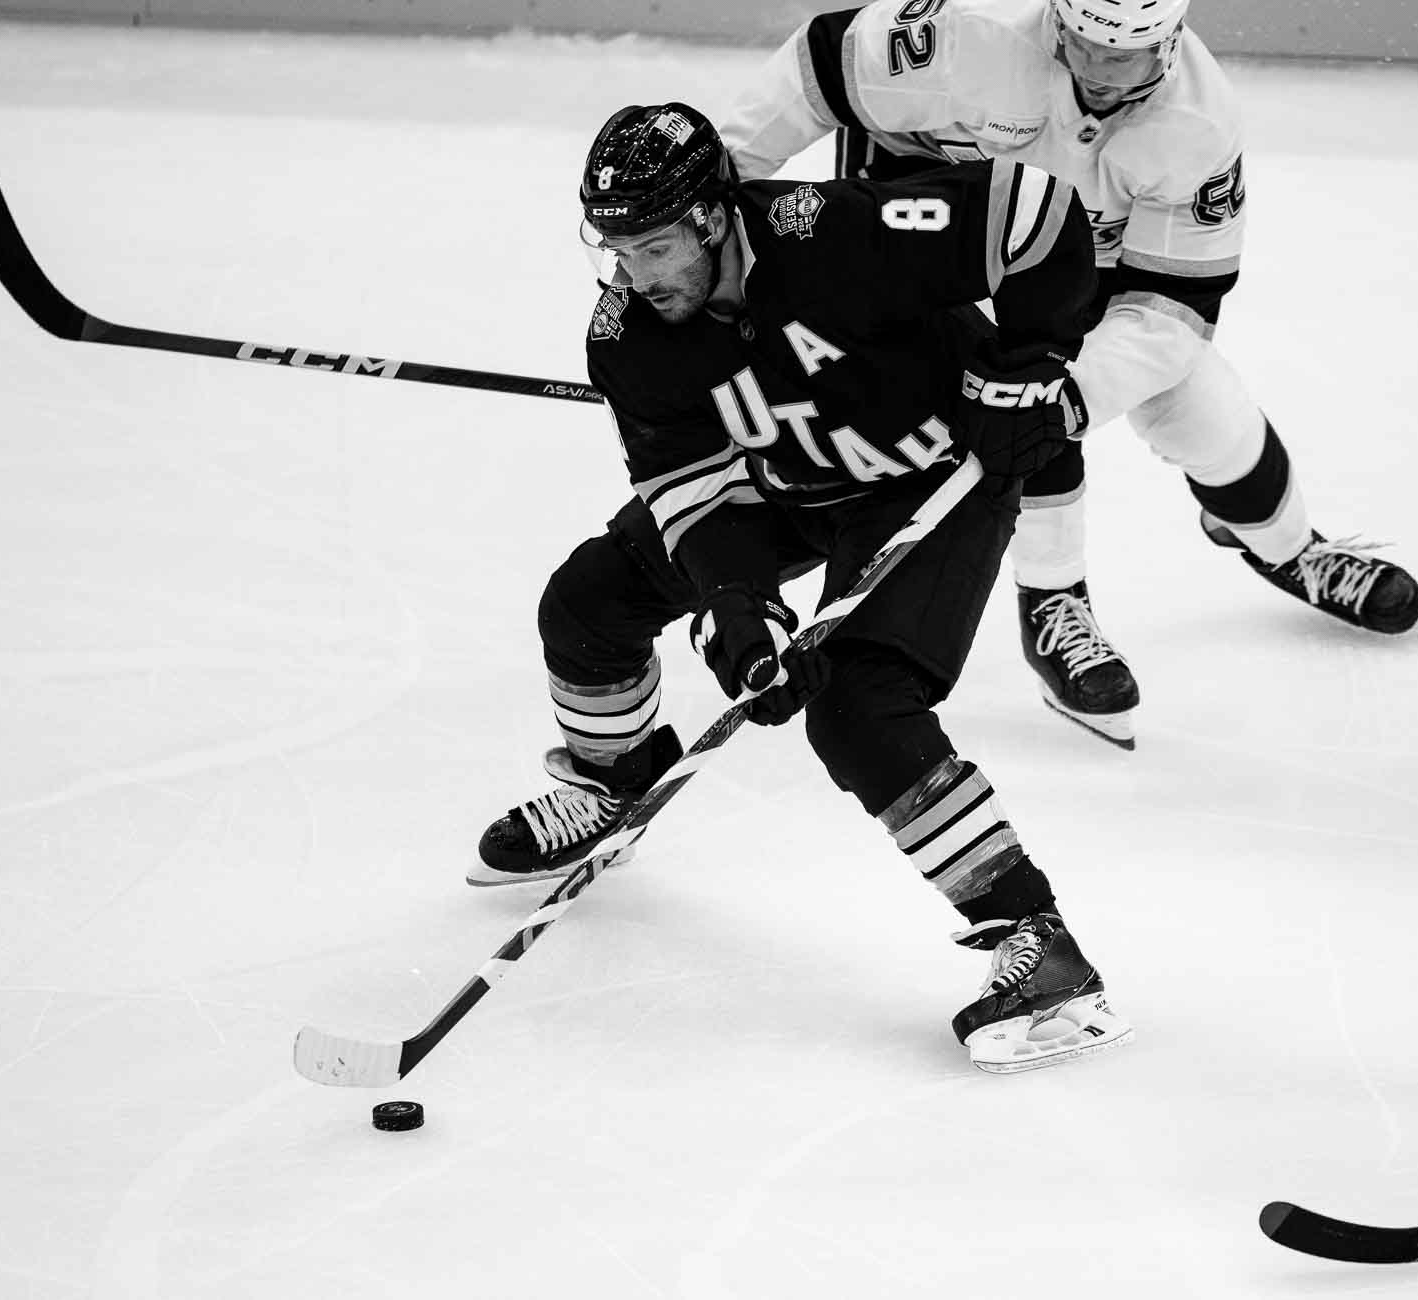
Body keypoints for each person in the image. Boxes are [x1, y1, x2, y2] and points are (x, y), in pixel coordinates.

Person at [471, 101, 1131, 1073]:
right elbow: (692, 493)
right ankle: (616, 782)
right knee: (587, 601)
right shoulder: (627, 336)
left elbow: (1037, 215)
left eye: (655, 247)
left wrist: (1030, 369)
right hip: (785, 478)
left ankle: (1040, 942)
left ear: (710, 218)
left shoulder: (835, 231)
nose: (635, 276)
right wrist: (739, 609)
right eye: (615, 249)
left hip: (936, 474)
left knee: (860, 706)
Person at [718, 0, 1418, 749]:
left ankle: (1290, 548)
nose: (1092, 68)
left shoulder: (1201, 121)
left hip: (1085, 268)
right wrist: (701, 218)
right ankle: (1053, 600)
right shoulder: (974, 38)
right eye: (1079, 42)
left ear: (1168, 42)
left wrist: (1072, 400)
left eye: (1118, 56)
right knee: (1001, 384)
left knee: (1199, 413)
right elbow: (825, 64)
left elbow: (1174, 306)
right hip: (932, 236)